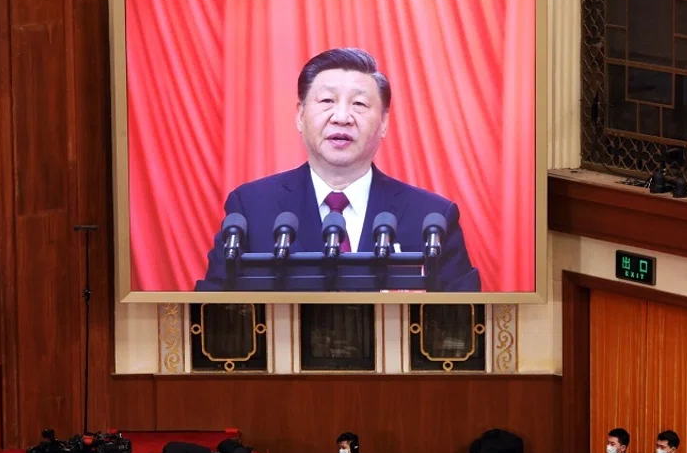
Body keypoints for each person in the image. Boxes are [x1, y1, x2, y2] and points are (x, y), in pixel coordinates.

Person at [196, 47, 481, 292]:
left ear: (383, 123)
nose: (342, 117)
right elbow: (213, 313)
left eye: (359, 104)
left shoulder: (431, 218)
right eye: (327, 101)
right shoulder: (252, 207)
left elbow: (464, 322)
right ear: (300, 116)